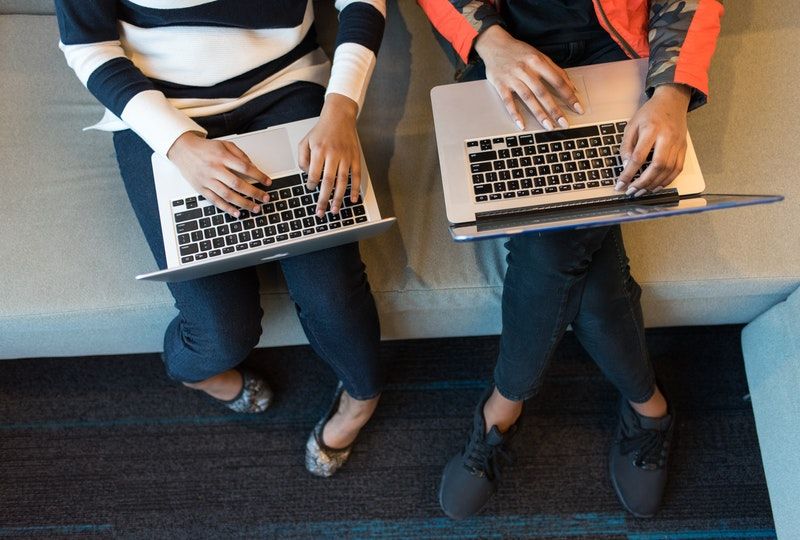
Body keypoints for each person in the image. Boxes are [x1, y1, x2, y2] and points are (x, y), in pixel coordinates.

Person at [54, 0, 387, 477]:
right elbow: (88, 46)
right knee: (219, 332)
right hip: (160, 103)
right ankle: (199, 377)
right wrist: (178, 144)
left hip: (286, 84)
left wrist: (341, 109)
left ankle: (362, 400)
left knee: (333, 292)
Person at [418, 0, 723, 519]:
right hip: (508, 52)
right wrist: (490, 41)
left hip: (619, 53)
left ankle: (503, 409)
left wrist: (671, 93)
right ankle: (649, 407)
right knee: (582, 260)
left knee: (553, 245)